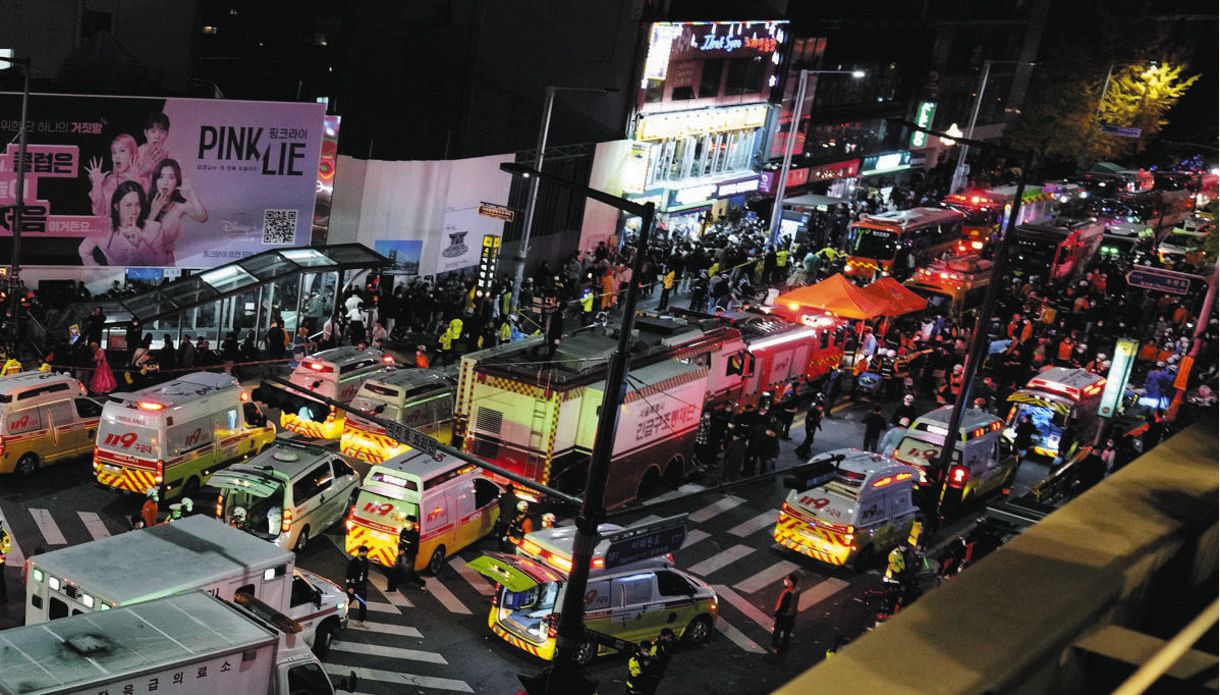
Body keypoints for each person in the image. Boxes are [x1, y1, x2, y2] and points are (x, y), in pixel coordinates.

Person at [146, 158, 207, 265]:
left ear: (177, 182)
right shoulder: (143, 202)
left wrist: (190, 192)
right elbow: (139, 239)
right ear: (155, 180)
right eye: (161, 177)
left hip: (166, 261)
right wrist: (153, 213)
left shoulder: (179, 205)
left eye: (171, 177)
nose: (165, 182)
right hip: (143, 261)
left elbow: (202, 217)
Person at [86, 133, 148, 218]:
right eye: (114, 152)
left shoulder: (143, 180)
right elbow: (99, 212)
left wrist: (134, 184)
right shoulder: (109, 180)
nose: (117, 156)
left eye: (122, 151)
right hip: (109, 229)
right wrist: (97, 185)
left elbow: (141, 214)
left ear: (133, 154)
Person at [388, 516, 425, 592]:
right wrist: (401, 549)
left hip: (409, 556)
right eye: (405, 521)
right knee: (394, 570)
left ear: (412, 524)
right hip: (401, 554)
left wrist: (405, 550)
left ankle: (422, 583)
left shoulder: (415, 534)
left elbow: (414, 547)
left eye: (407, 522)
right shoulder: (403, 531)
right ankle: (391, 588)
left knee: (409, 572)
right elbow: (401, 542)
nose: (405, 523)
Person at [771, 573, 800, 653]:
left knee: (777, 631)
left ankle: (775, 646)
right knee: (787, 632)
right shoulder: (796, 590)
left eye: (787, 579)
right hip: (792, 615)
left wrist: (776, 615)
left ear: (791, 582)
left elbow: (783, 606)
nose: (785, 580)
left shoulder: (787, 593)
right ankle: (784, 645)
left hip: (784, 615)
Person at [345, 545, 371, 623]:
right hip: (353, 586)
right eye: (364, 553)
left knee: (363, 602)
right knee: (348, 601)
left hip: (362, 586)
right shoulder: (353, 562)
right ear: (359, 553)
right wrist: (350, 586)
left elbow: (366, 572)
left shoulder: (366, 561)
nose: (365, 555)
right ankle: (342, 613)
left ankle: (362, 617)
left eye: (366, 553)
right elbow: (348, 575)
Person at [0, 520, 10, 603]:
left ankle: (3, 597)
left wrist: (2, 553)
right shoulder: (4, 533)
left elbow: (6, 547)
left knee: (1, 579)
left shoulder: (3, 534)